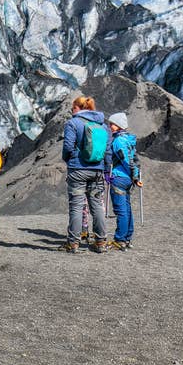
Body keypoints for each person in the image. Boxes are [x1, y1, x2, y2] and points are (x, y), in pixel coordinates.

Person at [58, 96, 111, 253]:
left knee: (76, 205)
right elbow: (108, 151)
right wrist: (105, 169)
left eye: (72, 107)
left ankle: (73, 243)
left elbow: (68, 146)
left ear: (78, 108)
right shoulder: (103, 126)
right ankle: (100, 242)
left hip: (78, 170)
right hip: (97, 171)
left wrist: (71, 159)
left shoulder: (73, 123)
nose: (71, 110)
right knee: (97, 206)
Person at [105, 112, 139, 251]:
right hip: (127, 180)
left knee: (121, 211)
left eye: (112, 124)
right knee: (127, 209)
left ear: (118, 125)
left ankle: (119, 239)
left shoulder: (118, 141)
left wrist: (134, 174)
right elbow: (134, 160)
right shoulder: (128, 140)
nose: (110, 126)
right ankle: (127, 238)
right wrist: (134, 176)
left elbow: (125, 159)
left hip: (119, 178)